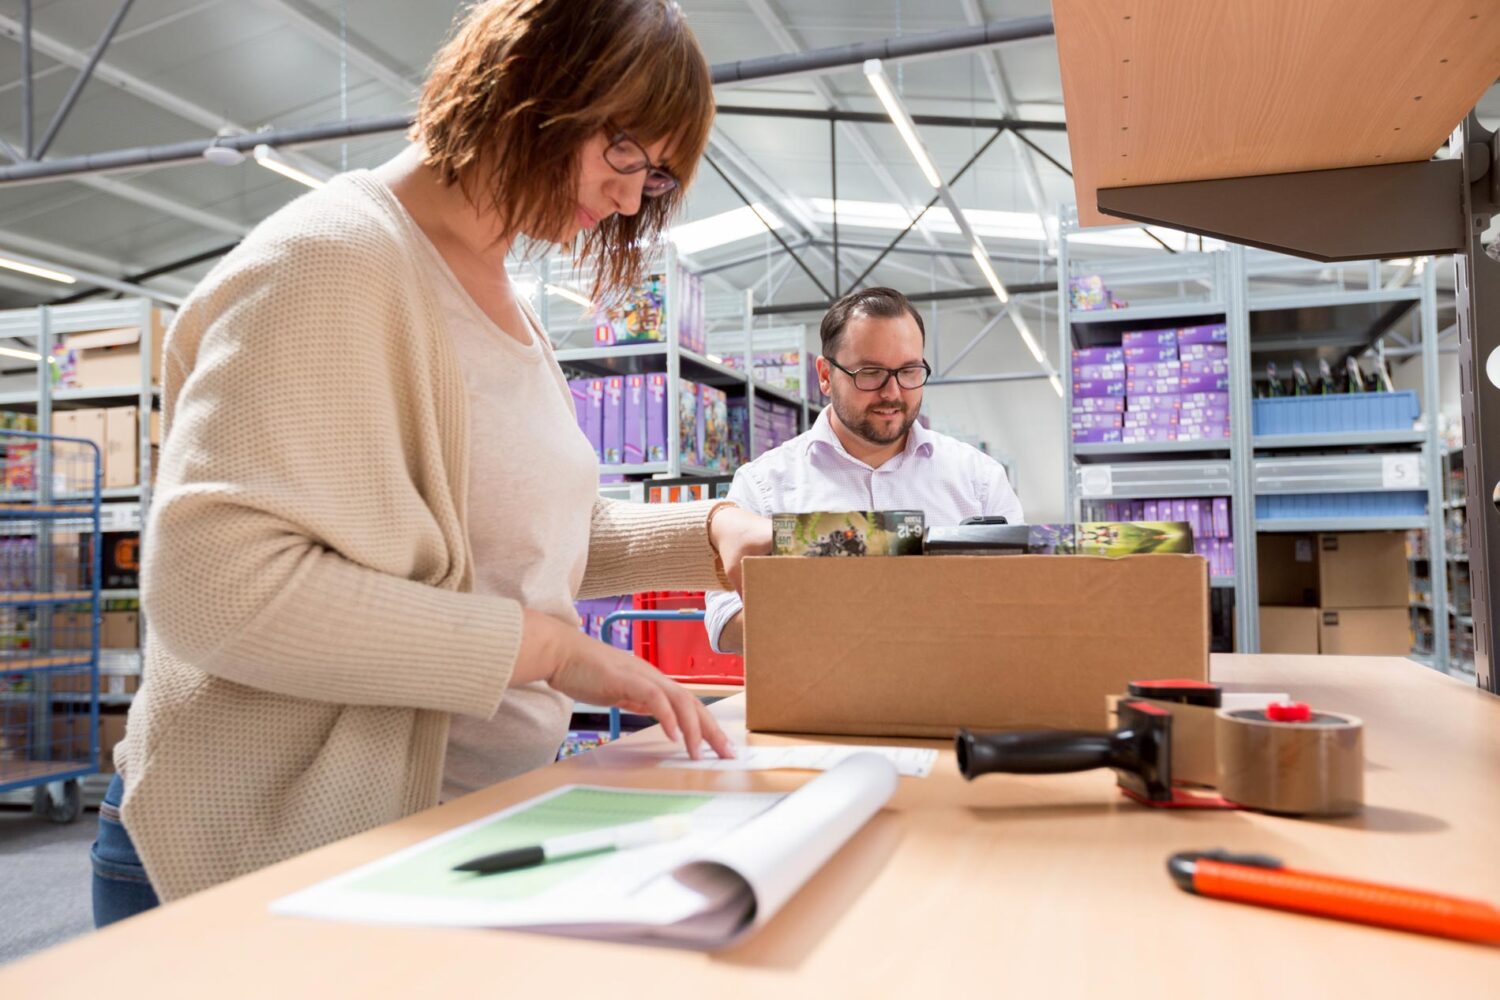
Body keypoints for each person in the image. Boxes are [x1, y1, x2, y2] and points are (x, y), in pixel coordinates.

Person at [93, 0, 770, 925]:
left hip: (434, 836)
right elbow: (214, 590)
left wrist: (709, 531)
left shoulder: (502, 292)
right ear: (534, 81)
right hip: (259, 855)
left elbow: (513, 539)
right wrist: (545, 651)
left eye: (653, 177)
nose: (627, 198)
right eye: (624, 153)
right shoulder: (330, 262)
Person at [705, 287, 1022, 653]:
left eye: (909, 371)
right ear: (825, 375)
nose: (893, 392)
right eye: (870, 373)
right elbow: (722, 624)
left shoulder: (978, 479)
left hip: (955, 700)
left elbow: (1022, 601)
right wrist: (836, 609)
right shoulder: (763, 485)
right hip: (819, 702)